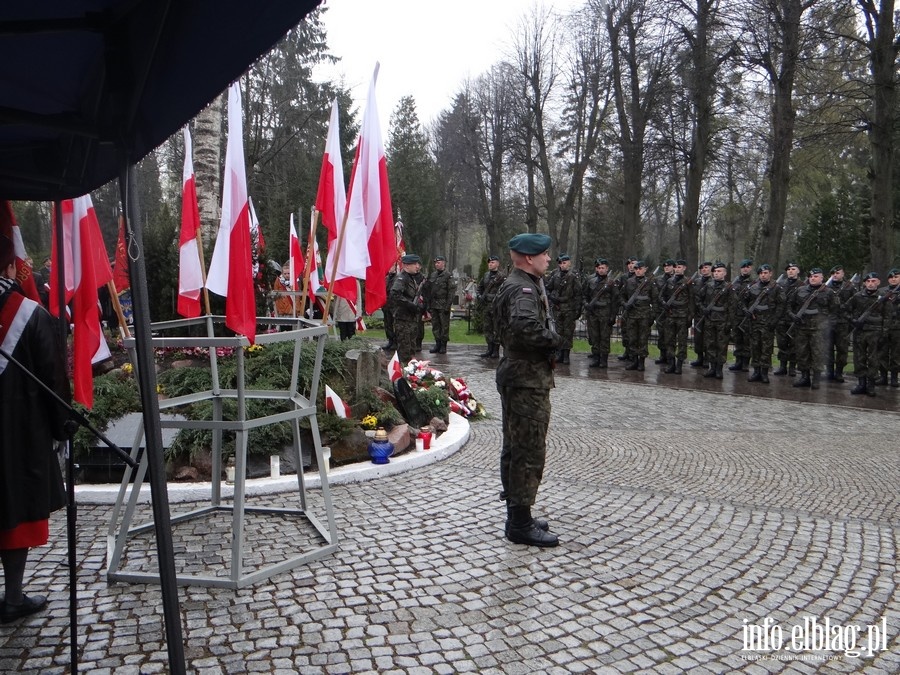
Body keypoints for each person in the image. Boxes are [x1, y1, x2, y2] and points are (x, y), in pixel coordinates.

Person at [0, 234, 69, 623]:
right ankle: (12, 595)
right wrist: (62, 426)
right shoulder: (30, 314)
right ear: (11, 266)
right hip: (18, 433)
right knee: (15, 508)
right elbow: (53, 378)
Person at [493, 232, 562, 547]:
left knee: (516, 446)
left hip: (519, 375)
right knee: (528, 450)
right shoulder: (522, 288)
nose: (549, 259)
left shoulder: (520, 283)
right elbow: (524, 328)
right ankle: (519, 524)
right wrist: (554, 341)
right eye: (545, 254)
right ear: (530, 258)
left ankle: (517, 514)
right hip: (525, 378)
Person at [788, 266, 836, 389]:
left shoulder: (828, 292)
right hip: (802, 328)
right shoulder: (800, 290)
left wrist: (826, 323)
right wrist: (793, 316)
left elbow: (835, 310)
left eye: (815, 276)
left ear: (822, 278)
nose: (812, 278)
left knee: (817, 353)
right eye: (811, 276)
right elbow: (789, 305)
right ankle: (804, 377)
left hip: (819, 329)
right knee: (802, 352)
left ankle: (816, 379)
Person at [847, 271, 891, 396]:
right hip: (860, 332)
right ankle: (861, 383)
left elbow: (887, 317)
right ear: (865, 283)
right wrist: (853, 321)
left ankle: (871, 385)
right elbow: (845, 309)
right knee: (859, 358)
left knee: (873, 359)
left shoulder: (883, 298)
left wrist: (884, 333)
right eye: (868, 281)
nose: (871, 284)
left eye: (873, 281)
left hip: (875, 333)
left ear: (878, 282)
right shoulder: (857, 296)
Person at [743, 264, 784, 384]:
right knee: (755, 347)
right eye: (761, 273)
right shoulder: (752, 287)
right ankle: (756, 371)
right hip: (755, 323)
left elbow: (781, 305)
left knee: (766, 349)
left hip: (768, 323)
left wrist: (774, 320)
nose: (763, 275)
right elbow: (743, 301)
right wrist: (747, 311)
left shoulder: (776, 288)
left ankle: (765, 373)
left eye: (766, 273)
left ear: (770, 273)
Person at [696, 262, 735, 379]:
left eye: (719, 271)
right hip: (710, 320)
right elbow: (698, 299)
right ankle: (711, 368)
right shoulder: (708, 286)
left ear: (724, 273)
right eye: (715, 271)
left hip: (722, 321)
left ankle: (719, 369)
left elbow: (733, 307)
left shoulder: (729, 288)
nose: (717, 274)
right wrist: (704, 310)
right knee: (710, 345)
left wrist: (729, 323)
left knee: (721, 346)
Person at [619, 260, 658, 371]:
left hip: (644, 316)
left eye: (640, 269)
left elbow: (655, 300)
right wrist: (625, 304)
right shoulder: (629, 282)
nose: (638, 271)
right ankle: (634, 361)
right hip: (631, 316)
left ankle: (641, 362)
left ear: (644, 269)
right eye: (636, 269)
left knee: (643, 340)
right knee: (632, 339)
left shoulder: (650, 282)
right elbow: (621, 296)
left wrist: (653, 315)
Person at [545, 254, 582, 365]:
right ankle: (560, 354)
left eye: (564, 263)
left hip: (569, 309)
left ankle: (566, 355)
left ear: (569, 263)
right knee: (559, 332)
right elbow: (548, 288)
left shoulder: (573, 277)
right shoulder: (555, 276)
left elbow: (578, 294)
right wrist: (551, 297)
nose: (562, 265)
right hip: (558, 309)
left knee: (568, 332)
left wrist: (577, 310)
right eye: (560, 263)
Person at [390, 255, 427, 363]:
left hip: (412, 318)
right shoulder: (402, 278)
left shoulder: (412, 277)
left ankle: (409, 373)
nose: (417, 266)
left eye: (418, 264)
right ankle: (402, 374)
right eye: (415, 264)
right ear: (406, 265)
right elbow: (395, 294)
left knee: (411, 349)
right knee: (404, 351)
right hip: (403, 319)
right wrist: (410, 305)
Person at [582, 258, 618, 368]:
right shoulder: (591, 281)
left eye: (603, 268)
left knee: (604, 337)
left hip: (605, 314)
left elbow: (615, 301)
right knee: (594, 337)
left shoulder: (611, 283)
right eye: (599, 268)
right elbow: (584, 295)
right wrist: (586, 304)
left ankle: (604, 360)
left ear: (607, 269)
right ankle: (596, 358)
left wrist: (613, 316)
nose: (601, 270)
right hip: (593, 314)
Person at [660, 259, 695, 375]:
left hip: (682, 316)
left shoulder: (688, 282)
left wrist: (690, 316)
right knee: (669, 340)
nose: (677, 269)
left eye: (680, 267)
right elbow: (661, 296)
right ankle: (671, 363)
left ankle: (679, 364)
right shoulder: (669, 281)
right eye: (676, 267)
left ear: (684, 268)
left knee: (682, 342)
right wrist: (664, 303)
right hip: (670, 316)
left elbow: (691, 300)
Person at [824, 265, 855, 382]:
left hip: (843, 323)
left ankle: (839, 372)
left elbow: (854, 304)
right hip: (828, 322)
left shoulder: (850, 287)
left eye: (838, 273)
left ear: (843, 274)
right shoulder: (825, 287)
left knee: (842, 349)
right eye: (833, 273)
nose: (835, 275)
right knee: (828, 349)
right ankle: (829, 371)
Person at [774, 262, 802, 376]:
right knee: (782, 343)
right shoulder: (780, 284)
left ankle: (792, 367)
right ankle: (782, 366)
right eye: (789, 269)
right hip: (781, 319)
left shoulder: (803, 285)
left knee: (794, 344)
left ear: (798, 271)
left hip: (794, 319)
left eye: (793, 269)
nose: (790, 271)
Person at [425, 255, 456, 354]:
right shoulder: (433, 275)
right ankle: (437, 344)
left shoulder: (448, 275)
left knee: (444, 326)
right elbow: (429, 289)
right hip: (434, 304)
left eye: (438, 262)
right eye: (435, 263)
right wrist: (428, 304)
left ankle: (443, 345)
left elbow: (451, 292)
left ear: (443, 263)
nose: (436, 264)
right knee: (435, 325)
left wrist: (448, 306)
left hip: (443, 304)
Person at [477, 256, 505, 359]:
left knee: (496, 328)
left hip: (496, 306)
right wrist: (480, 296)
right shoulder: (485, 275)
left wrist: (493, 297)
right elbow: (479, 288)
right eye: (489, 263)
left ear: (497, 264)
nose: (490, 264)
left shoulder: (502, 277)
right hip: (486, 306)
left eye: (492, 262)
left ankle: (496, 350)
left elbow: (504, 291)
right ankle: (489, 349)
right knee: (487, 327)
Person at [729, 259, 754, 372]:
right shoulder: (735, 282)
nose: (745, 268)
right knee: (737, 339)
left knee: (746, 339)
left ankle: (745, 363)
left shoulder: (754, 283)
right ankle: (738, 361)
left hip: (747, 316)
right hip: (736, 315)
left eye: (748, 266)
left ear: (751, 268)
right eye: (743, 266)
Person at [878, 268, 899, 388]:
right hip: (883, 326)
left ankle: (894, 378)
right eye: (891, 277)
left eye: (896, 277)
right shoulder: (882, 291)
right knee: (882, 352)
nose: (893, 279)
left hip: (897, 327)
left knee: (896, 354)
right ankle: (883, 376)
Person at [690, 261, 713, 367]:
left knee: (708, 338)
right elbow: (693, 297)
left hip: (710, 314)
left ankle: (708, 359)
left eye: (706, 267)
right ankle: (700, 357)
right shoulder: (696, 282)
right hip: (698, 313)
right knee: (698, 337)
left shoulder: (714, 282)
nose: (704, 269)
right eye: (702, 268)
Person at [654, 259, 674, 365]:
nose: (666, 268)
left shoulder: (676, 280)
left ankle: (671, 357)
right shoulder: (658, 279)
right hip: (661, 311)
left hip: (672, 312)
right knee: (661, 334)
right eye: (665, 266)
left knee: (671, 335)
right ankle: (663, 355)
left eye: (669, 266)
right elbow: (656, 296)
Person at [382, 270, 397, 351]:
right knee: (387, 324)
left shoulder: (398, 278)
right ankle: (390, 340)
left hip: (394, 305)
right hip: (386, 305)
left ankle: (395, 341)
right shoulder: (386, 278)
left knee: (394, 324)